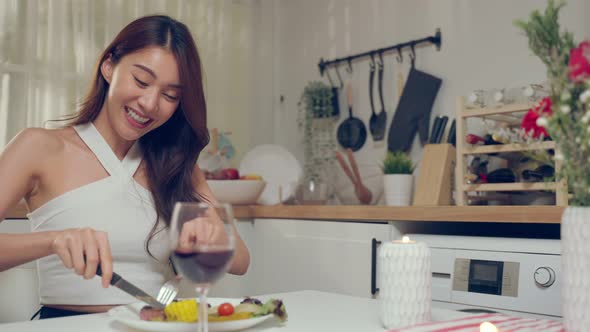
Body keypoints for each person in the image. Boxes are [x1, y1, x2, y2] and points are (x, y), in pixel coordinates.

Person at [0, 15, 250, 319]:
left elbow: (240, 262)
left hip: (157, 324)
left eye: (170, 95)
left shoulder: (175, 164)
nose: (149, 103)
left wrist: (211, 234)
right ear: (109, 66)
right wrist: (52, 240)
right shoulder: (38, 146)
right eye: (141, 81)